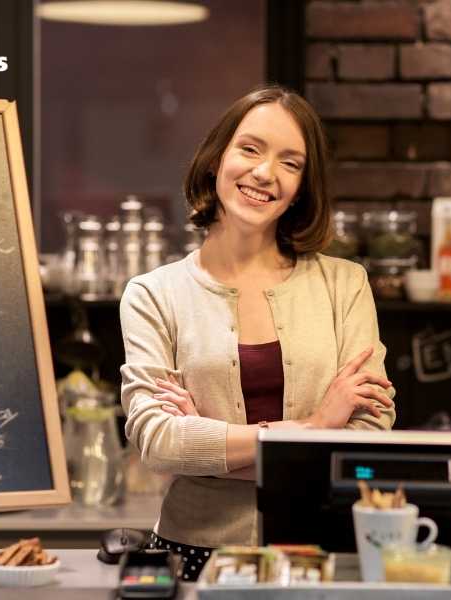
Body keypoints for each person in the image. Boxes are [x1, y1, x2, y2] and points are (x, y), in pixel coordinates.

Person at [119, 85, 395, 580]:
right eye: (250, 149)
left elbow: (369, 437)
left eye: (290, 163)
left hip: (320, 555)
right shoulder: (153, 294)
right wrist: (313, 429)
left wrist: (208, 451)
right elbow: (158, 442)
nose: (265, 173)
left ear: (302, 188)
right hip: (194, 556)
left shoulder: (344, 285)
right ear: (214, 159)